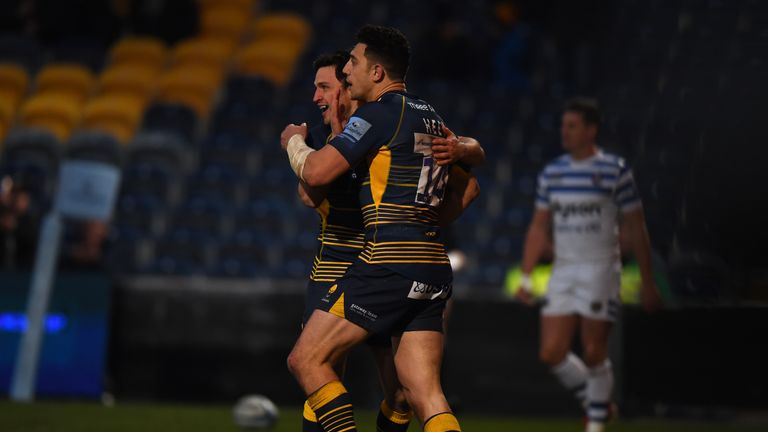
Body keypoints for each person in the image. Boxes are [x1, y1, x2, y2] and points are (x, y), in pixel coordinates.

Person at [281, 25, 480, 432]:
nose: (347, 70)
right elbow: (469, 188)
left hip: (387, 264)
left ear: (376, 73)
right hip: (432, 268)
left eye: (353, 62)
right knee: (425, 394)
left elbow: (316, 173)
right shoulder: (429, 115)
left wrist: (292, 144)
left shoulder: (380, 114)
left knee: (306, 359)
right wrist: (423, 221)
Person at [516, 97, 661, 432]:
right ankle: (598, 401)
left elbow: (637, 227)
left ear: (591, 130)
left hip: (600, 268)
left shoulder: (615, 170)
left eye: (572, 126)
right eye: (563, 125)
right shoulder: (553, 172)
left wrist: (648, 280)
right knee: (551, 352)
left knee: (594, 351)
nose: (564, 132)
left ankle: (595, 423)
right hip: (564, 269)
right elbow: (538, 227)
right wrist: (525, 275)